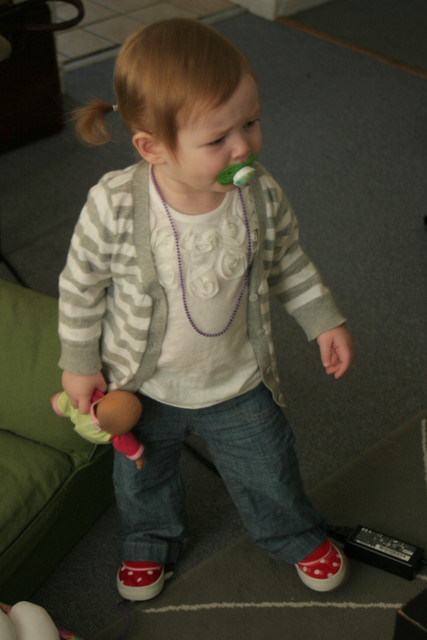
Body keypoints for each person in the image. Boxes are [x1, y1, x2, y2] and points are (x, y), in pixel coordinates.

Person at [58, 18, 353, 602]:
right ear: (153, 148)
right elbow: (81, 286)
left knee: (269, 466)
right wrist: (79, 361)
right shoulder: (115, 204)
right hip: (144, 385)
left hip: (237, 378)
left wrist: (323, 318)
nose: (243, 147)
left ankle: (292, 533)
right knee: (143, 475)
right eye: (218, 139)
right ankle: (148, 542)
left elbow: (287, 261)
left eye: (251, 123)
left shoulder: (259, 193)